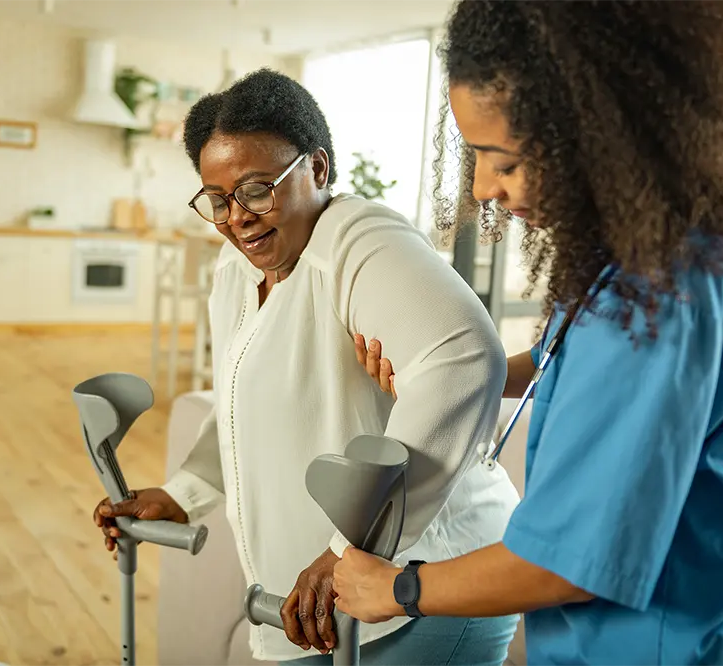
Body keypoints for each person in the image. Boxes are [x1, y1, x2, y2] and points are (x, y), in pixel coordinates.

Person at [332, 0, 723, 664]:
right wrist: (460, 375)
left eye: (503, 162)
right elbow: (562, 357)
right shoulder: (625, 264)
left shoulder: (656, 298)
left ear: (595, 135)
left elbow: (568, 565)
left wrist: (397, 588)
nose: (481, 189)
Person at [91, 69, 521, 665]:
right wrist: (184, 493)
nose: (237, 216)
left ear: (317, 169)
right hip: (326, 605)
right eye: (217, 199)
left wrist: (352, 548)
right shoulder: (237, 272)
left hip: (418, 592)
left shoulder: (360, 241)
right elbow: (245, 407)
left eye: (258, 188)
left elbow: (466, 359)